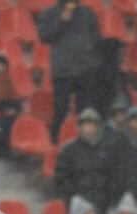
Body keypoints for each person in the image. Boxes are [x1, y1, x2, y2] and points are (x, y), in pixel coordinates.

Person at [37, 0, 102, 143]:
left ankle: (87, 144)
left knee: (86, 111)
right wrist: (61, 21)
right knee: (60, 109)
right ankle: (54, 144)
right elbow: (44, 36)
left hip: (86, 69)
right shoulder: (50, 13)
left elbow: (97, 39)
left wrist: (92, 60)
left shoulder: (88, 13)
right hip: (63, 70)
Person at [54, 109, 117, 214]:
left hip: (100, 207)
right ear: (80, 127)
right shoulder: (68, 151)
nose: (90, 128)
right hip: (77, 208)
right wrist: (73, 200)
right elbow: (61, 180)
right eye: (87, 124)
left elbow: (112, 178)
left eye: (93, 124)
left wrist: (107, 201)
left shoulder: (106, 150)